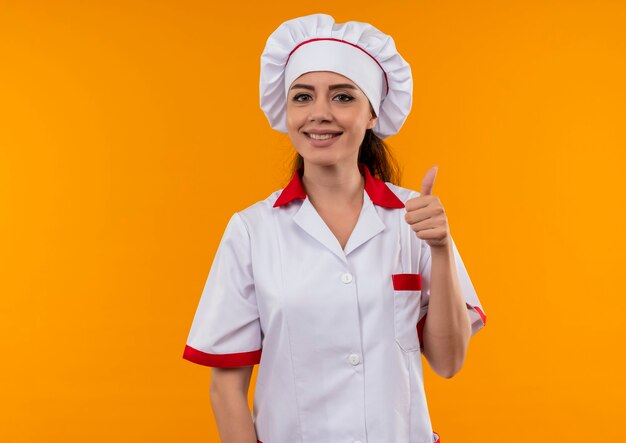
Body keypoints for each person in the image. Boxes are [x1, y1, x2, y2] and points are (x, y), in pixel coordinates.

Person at [183, 13, 487, 443]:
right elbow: (226, 387)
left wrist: (439, 250)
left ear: (371, 114)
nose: (319, 114)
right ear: (286, 110)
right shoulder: (252, 230)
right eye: (303, 97)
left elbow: (449, 361)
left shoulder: (416, 217)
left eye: (343, 97)